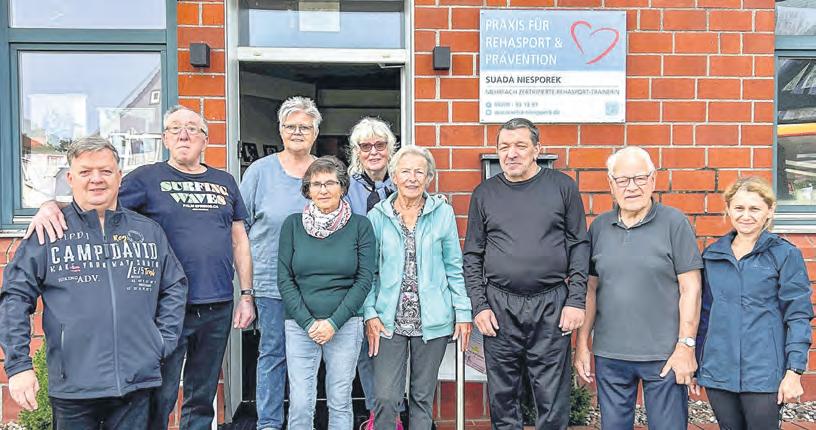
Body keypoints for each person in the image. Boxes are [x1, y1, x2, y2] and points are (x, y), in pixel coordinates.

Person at [24, 106, 256, 430]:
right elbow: (99, 197)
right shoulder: (146, 178)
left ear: (206, 139)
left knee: (202, 396)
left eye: (192, 128)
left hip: (217, 304)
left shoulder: (225, 181)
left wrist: (246, 294)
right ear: (165, 139)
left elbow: (239, 240)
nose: (184, 135)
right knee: (159, 396)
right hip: (165, 309)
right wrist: (51, 205)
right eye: (175, 129)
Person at [0, 137, 188, 429]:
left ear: (119, 176)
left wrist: (161, 341)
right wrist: (18, 365)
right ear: (70, 178)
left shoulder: (148, 232)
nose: (96, 179)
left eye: (105, 171)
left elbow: (174, 285)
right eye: (85, 172)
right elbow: (14, 297)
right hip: (74, 388)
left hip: (136, 385)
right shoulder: (49, 232)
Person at [463, 118, 588, 430]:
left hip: (551, 304)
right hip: (499, 306)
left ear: (537, 149)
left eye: (520, 145)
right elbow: (473, 255)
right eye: (504, 146)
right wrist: (479, 306)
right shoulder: (484, 193)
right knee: (503, 395)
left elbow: (579, 245)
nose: (511, 153)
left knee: (552, 395)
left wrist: (576, 301)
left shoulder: (562, 187)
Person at [574, 146, 703, 429]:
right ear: (611, 184)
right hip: (610, 355)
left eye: (640, 178)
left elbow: (691, 289)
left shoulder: (675, 223)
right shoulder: (599, 228)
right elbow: (589, 290)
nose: (631, 187)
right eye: (622, 180)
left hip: (664, 355)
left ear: (653, 179)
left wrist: (686, 346)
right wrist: (582, 345)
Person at [364, 145, 472, 430]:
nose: (412, 178)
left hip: (432, 319)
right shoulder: (378, 216)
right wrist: (370, 313)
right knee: (386, 397)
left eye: (419, 172)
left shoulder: (442, 213)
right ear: (394, 177)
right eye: (405, 172)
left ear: (428, 178)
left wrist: (463, 312)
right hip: (388, 321)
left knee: (422, 398)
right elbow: (369, 271)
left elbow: (453, 266)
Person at [695, 176, 813, 429]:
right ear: (728, 209)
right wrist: (697, 364)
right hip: (719, 369)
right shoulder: (713, 255)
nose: (746, 215)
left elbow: (798, 315)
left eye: (755, 208)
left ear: (769, 211)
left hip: (764, 373)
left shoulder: (785, 254)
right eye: (739, 208)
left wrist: (794, 370)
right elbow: (704, 315)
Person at [277, 156, 376, 430]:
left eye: (330, 183)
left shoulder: (360, 226)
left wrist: (333, 323)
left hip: (345, 323)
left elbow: (364, 279)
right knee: (300, 402)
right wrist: (309, 323)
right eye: (316, 184)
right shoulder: (292, 225)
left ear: (342, 187)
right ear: (307, 189)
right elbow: (284, 279)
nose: (323, 190)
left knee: (340, 400)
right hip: (300, 325)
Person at [240, 96, 320, 430]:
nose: (297, 132)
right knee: (273, 354)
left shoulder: (325, 171)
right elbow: (240, 230)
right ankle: (269, 423)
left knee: (311, 359)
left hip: (316, 286)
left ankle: (304, 421)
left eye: (305, 127)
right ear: (280, 130)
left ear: (315, 132)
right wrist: (246, 291)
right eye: (291, 126)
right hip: (271, 284)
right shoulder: (260, 172)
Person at [344, 117, 401, 428]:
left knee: (395, 348)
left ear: (391, 148)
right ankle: (374, 413)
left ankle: (395, 413)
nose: (374, 152)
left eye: (380, 145)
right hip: (359, 279)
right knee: (367, 350)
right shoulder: (346, 187)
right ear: (356, 151)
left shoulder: (402, 182)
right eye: (366, 146)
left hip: (396, 279)